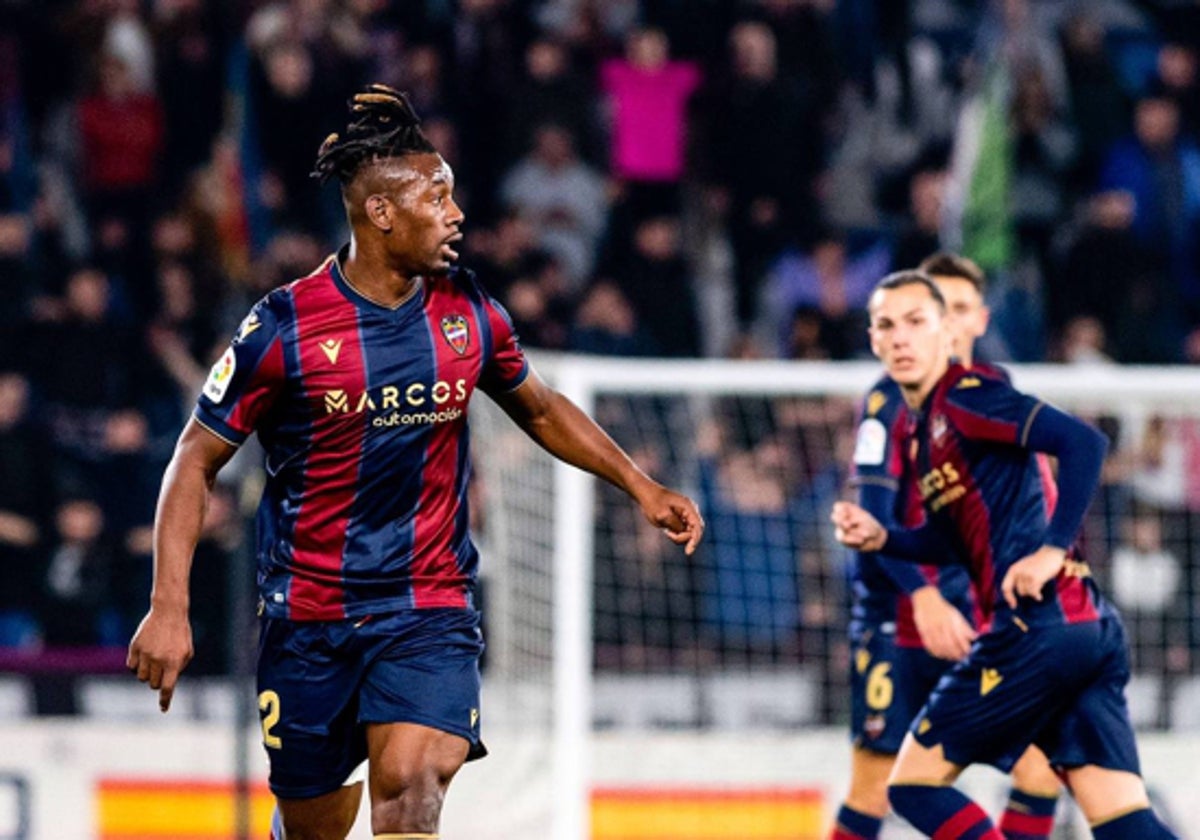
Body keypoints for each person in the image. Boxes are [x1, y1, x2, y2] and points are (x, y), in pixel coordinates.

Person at [126, 85, 704, 840]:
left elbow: (537, 405)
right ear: (381, 214)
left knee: (410, 786)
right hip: (308, 616)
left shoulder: (468, 310)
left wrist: (639, 483)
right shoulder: (284, 327)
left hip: (428, 606)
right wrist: (169, 604)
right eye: (438, 197)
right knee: (312, 827)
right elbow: (194, 459)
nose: (456, 214)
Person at [831, 271, 1178, 839]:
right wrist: (884, 539)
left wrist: (1050, 549)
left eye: (916, 323)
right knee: (1121, 817)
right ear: (872, 340)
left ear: (951, 330)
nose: (900, 338)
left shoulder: (969, 395)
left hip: (1033, 630)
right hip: (1081, 628)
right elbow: (950, 543)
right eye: (887, 326)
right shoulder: (927, 431)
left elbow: (1085, 443)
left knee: (913, 786)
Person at [830, 254, 1060, 840]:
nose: (950, 325)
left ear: (978, 320)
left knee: (1040, 770)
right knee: (875, 789)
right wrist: (925, 598)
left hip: (979, 614)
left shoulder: (994, 391)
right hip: (897, 613)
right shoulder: (887, 401)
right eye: (938, 312)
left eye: (960, 310)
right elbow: (874, 519)